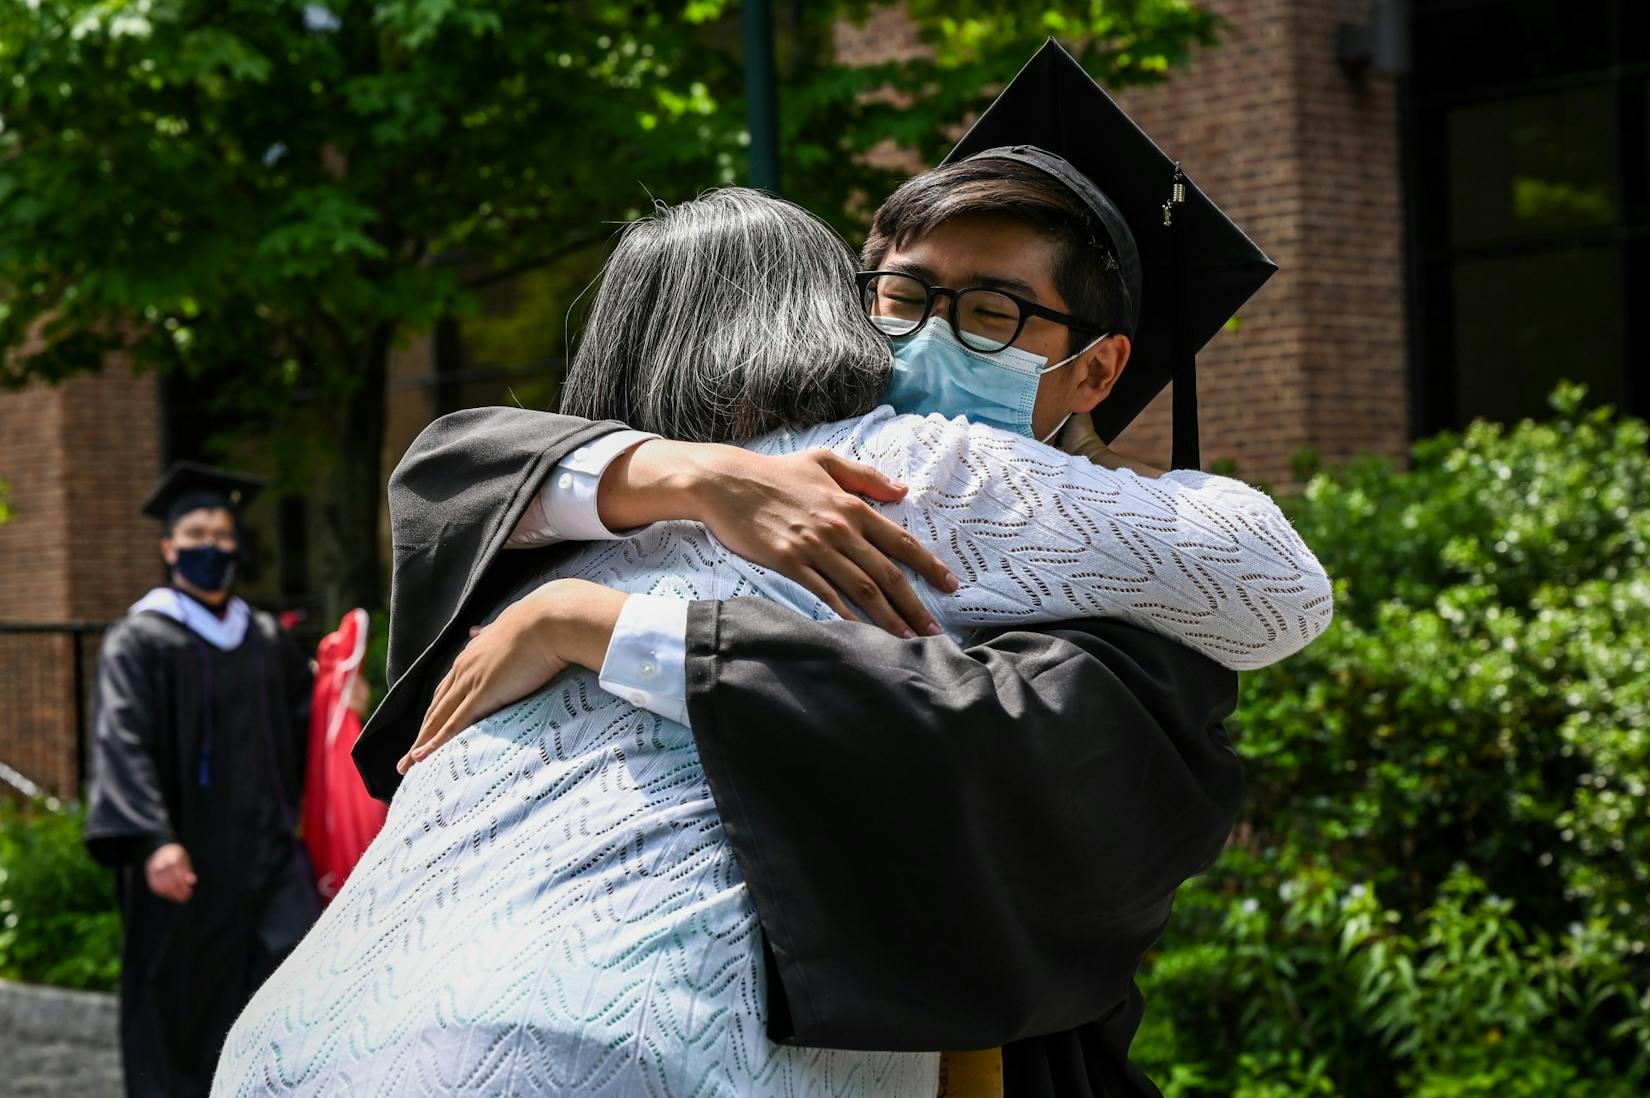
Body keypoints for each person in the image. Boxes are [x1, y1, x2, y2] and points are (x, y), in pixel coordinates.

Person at [215, 138, 1327, 1098]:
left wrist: (604, 618)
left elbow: (1250, 598)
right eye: (899, 298)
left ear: (1098, 372)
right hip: (635, 1039)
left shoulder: (569, 515)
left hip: (302, 1027)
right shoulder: (867, 466)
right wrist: (691, 477)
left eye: (990, 313)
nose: (924, 339)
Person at [84, 462, 319, 1098]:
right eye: (195, 533)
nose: (211, 546)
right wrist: (151, 838)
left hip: (266, 856)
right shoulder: (141, 640)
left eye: (221, 532)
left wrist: (341, 695)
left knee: (293, 976)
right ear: (168, 548)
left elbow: (311, 721)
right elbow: (120, 741)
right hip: (184, 863)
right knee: (183, 1011)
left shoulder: (264, 637)